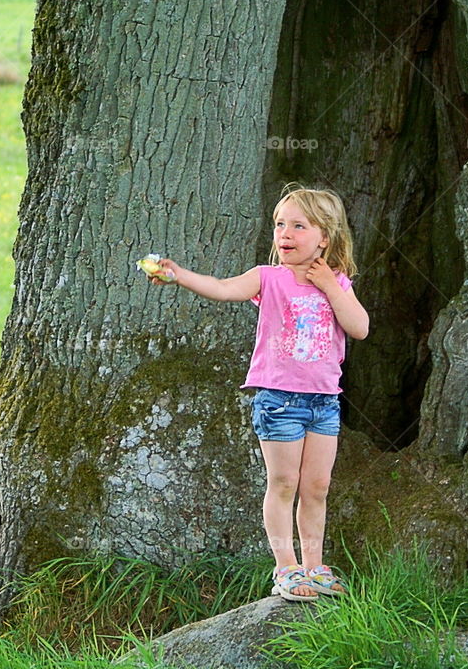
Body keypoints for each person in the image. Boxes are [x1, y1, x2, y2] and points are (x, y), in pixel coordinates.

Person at [149, 184, 369, 602]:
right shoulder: (269, 279)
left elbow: (359, 327)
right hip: (279, 401)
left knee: (317, 486)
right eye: (280, 224)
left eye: (298, 226)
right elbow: (221, 287)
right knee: (284, 482)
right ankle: (286, 568)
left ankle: (314, 566)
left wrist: (331, 287)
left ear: (325, 236)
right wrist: (179, 275)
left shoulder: (339, 283)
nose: (285, 233)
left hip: (324, 403)